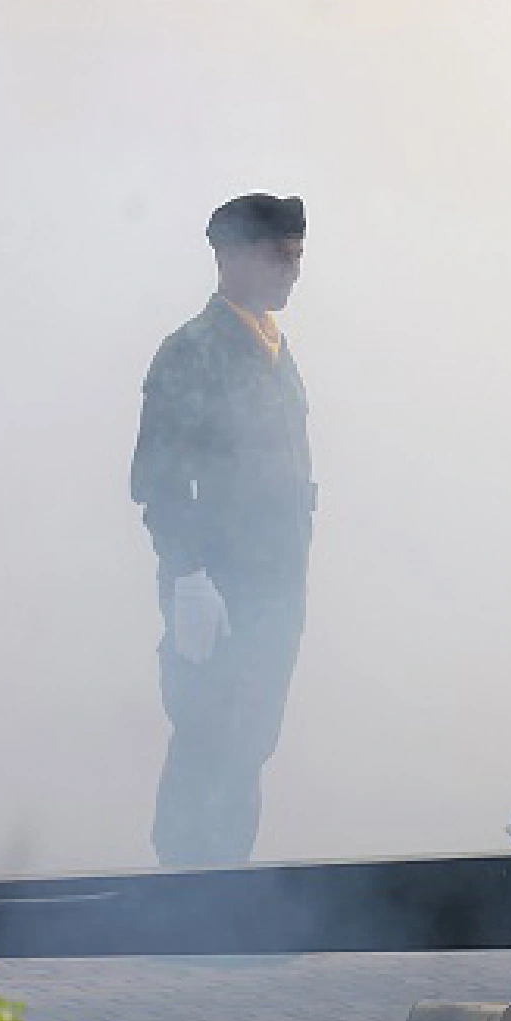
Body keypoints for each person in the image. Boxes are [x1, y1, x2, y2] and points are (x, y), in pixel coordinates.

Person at [130, 193, 313, 868]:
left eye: (297, 255)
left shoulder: (273, 349)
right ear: (229, 255)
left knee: (251, 737)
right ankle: (186, 897)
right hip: (218, 582)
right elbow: (160, 477)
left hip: (275, 581)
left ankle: (226, 896)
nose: (292, 269)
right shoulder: (193, 351)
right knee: (211, 730)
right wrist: (188, 577)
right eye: (277, 255)